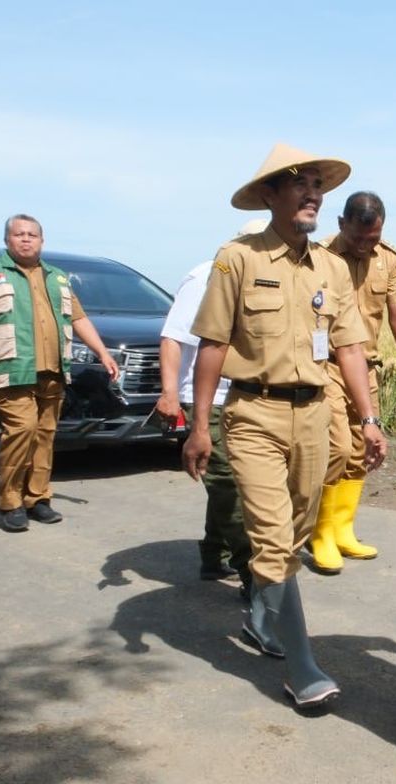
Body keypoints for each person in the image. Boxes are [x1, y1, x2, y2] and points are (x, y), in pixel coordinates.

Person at [182, 143, 387, 709]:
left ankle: (256, 616)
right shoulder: (237, 258)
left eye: (318, 184)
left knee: (293, 534)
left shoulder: (331, 267)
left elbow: (349, 347)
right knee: (273, 538)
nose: (312, 192)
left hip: (315, 415)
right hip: (253, 415)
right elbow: (214, 344)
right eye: (298, 182)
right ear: (269, 195)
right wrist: (201, 426)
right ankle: (303, 668)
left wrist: (368, 419)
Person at [0, 215, 119, 532]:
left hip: (53, 372)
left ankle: (38, 498)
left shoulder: (57, 277)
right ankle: (11, 501)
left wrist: (102, 352)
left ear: (42, 241)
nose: (26, 239)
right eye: (19, 234)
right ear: (7, 240)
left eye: (33, 234)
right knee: (22, 430)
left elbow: (79, 318)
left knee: (45, 435)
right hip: (11, 369)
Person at [155, 220, 266, 590]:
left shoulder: (267, 278)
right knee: (229, 485)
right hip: (209, 399)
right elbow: (173, 337)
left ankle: (214, 555)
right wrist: (170, 394)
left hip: (248, 397)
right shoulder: (205, 277)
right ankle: (255, 575)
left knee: (231, 483)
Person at [308, 191, 396, 574]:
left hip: (368, 367)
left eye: (374, 238)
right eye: (360, 237)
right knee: (336, 447)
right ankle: (320, 533)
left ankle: (344, 529)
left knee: (364, 449)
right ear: (341, 224)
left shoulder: (390, 260)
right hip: (327, 365)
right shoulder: (319, 258)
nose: (367, 245)